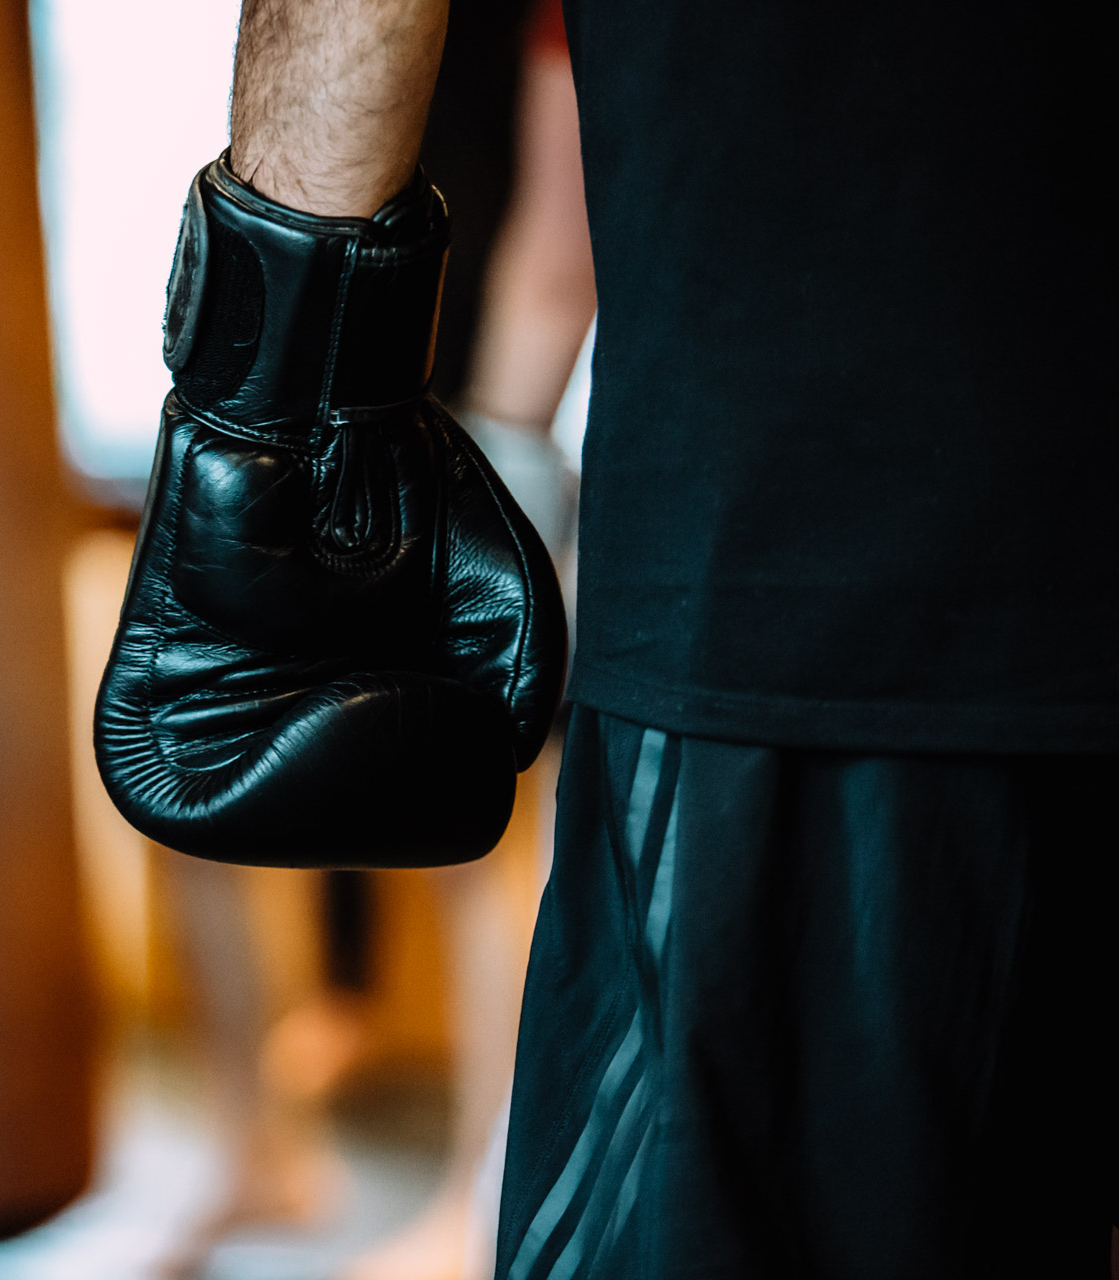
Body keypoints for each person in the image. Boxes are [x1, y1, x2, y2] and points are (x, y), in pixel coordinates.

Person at [195, 0, 1116, 1274]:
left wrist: (259, 424)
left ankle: (461, 1186)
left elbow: (552, 246)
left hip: (792, 590)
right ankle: (395, 1173)